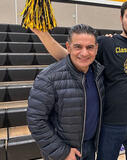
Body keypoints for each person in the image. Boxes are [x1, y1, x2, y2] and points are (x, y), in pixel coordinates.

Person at [30, 1, 127, 159]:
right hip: (110, 124)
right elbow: (72, 58)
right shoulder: (106, 43)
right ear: (121, 18)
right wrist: (44, 35)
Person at [27, 24, 104, 160]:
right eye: (78, 47)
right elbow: (36, 121)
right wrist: (62, 152)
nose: (84, 53)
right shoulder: (48, 77)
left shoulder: (99, 73)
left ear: (96, 48)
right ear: (68, 47)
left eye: (90, 47)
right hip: (64, 152)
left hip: (89, 148)